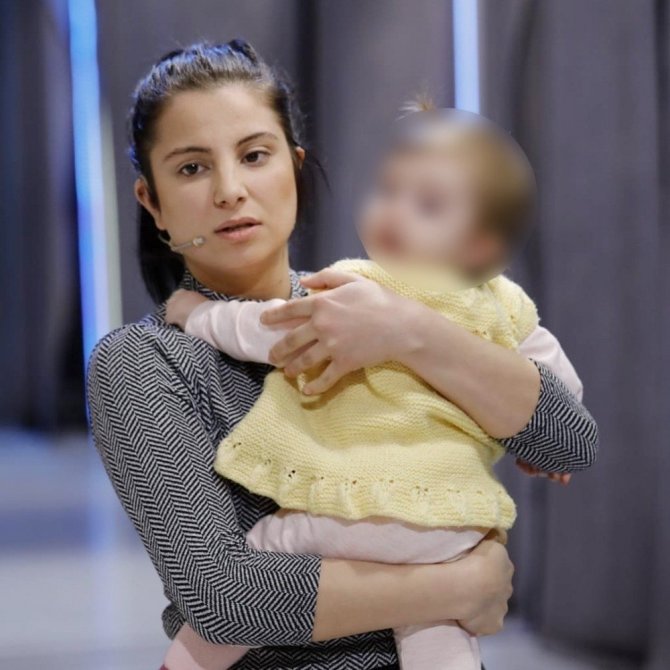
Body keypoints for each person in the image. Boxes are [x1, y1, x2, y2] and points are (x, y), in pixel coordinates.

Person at [86, 40, 599, 670]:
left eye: (254, 155)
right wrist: (461, 585)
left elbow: (568, 444)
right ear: (152, 202)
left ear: (294, 165)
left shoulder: (381, 300)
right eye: (192, 168)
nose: (230, 190)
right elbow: (224, 599)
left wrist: (410, 330)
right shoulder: (141, 361)